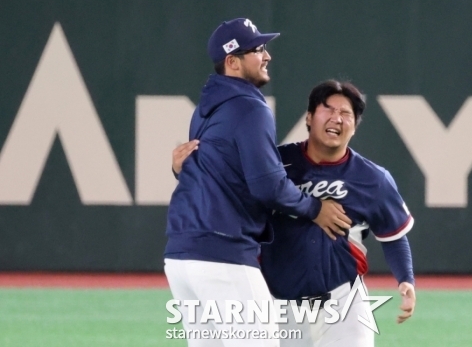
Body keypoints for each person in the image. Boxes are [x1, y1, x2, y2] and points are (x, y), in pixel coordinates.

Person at [173, 80, 416, 346]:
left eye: (346, 114)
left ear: (355, 126)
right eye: (328, 109)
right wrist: (184, 171)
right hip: (278, 306)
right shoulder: (274, 165)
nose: (337, 118)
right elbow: (222, 190)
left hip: (344, 305)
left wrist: (406, 279)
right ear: (309, 118)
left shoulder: (374, 179)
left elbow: (393, 235)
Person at [164, 19, 352, 347]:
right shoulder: (250, 108)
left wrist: (181, 170)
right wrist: (314, 208)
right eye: (257, 50)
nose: (267, 56)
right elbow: (268, 185)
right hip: (222, 256)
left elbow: (216, 170)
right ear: (232, 62)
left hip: (181, 258)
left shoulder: (206, 109)